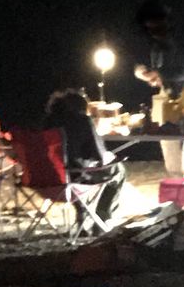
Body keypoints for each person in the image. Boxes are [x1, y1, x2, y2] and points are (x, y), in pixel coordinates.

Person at [134, 0, 184, 179]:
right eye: (150, 30)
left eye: (158, 28)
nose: (155, 33)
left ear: (168, 22)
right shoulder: (156, 45)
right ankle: (177, 189)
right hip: (168, 100)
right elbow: (158, 71)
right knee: (170, 148)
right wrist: (144, 73)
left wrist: (159, 74)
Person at [44, 89, 125, 234]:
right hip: (76, 178)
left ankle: (82, 216)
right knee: (118, 170)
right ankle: (101, 218)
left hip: (47, 182)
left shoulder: (47, 122)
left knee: (72, 171)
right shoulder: (82, 121)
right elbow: (98, 154)